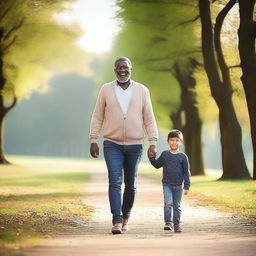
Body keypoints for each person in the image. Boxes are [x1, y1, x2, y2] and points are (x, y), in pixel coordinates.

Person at [89, 56, 159, 234]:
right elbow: (97, 115)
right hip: (112, 144)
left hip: (135, 145)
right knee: (114, 181)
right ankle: (117, 220)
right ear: (115, 70)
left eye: (125, 67)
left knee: (131, 184)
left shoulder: (142, 90)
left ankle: (126, 215)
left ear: (131, 69)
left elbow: (149, 117)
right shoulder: (106, 89)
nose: (122, 70)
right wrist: (93, 140)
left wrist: (153, 142)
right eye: (119, 67)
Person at [148, 129, 191, 233]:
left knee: (177, 205)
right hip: (167, 184)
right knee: (168, 204)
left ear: (181, 142)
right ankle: (168, 223)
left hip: (179, 185)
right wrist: (151, 158)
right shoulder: (165, 154)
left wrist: (187, 186)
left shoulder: (183, 157)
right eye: (172, 140)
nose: (174, 142)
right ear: (168, 141)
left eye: (177, 140)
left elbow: (186, 172)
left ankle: (177, 224)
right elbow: (157, 165)